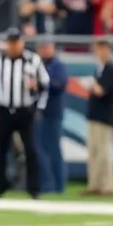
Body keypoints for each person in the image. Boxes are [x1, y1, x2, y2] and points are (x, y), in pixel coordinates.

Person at [0, 28, 49, 199]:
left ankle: (34, 189)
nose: (13, 46)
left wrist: (39, 106)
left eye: (16, 42)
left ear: (22, 43)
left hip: (25, 111)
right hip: (3, 111)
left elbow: (45, 84)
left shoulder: (33, 60)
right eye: (10, 42)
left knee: (31, 150)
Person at [81, 38, 113, 197]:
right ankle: (94, 184)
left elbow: (101, 90)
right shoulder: (99, 69)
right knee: (93, 151)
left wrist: (92, 84)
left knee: (103, 151)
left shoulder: (112, 70)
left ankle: (107, 185)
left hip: (104, 116)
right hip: (94, 114)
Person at [35, 38, 69, 194]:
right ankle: (46, 183)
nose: (45, 50)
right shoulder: (37, 65)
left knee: (54, 149)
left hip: (53, 113)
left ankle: (58, 184)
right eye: (42, 47)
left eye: (47, 47)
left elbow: (58, 85)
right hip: (39, 113)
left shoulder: (58, 66)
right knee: (41, 149)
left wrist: (40, 84)